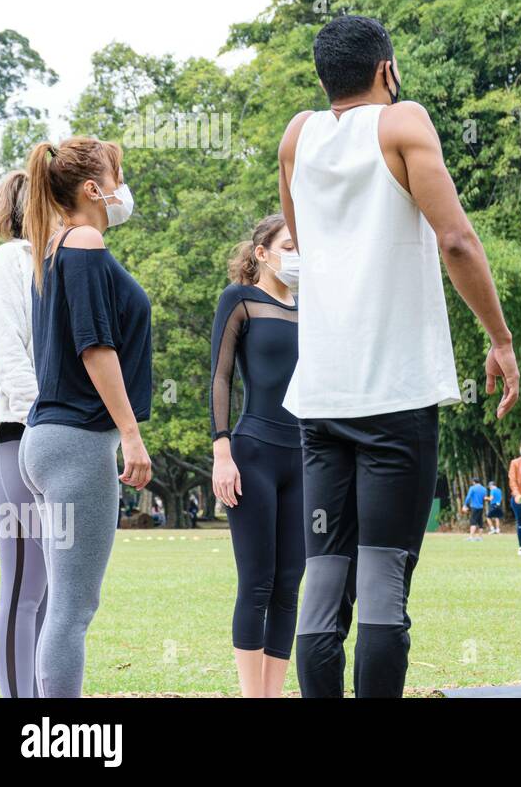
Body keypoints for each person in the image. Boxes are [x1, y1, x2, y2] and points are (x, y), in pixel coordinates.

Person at [277, 14, 519, 698]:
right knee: (382, 582)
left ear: (325, 78)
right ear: (386, 69)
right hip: (394, 397)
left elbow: (305, 240)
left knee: (323, 582)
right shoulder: (403, 122)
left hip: (321, 397)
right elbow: (458, 242)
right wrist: (500, 341)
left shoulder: (297, 137)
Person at [19, 137, 154, 698]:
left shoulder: (52, 248)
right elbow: (95, 347)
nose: (124, 188)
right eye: (117, 176)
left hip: (46, 439)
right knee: (73, 610)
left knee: (62, 606)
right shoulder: (84, 240)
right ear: (93, 190)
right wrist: (132, 436)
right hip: (76, 442)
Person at [210, 215, 304, 697]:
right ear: (262, 253)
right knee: (257, 582)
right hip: (253, 452)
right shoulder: (241, 300)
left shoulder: (313, 306)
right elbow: (220, 376)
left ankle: (274, 693)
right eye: (289, 245)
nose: (298, 253)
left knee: (290, 584)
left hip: (305, 457)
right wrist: (221, 449)